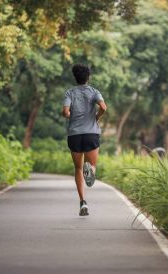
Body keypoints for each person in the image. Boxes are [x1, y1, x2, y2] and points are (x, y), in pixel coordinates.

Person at [61, 64, 107, 216]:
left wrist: (69, 115)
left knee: (78, 169)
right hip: (91, 134)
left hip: (74, 135)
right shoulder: (94, 91)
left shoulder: (70, 93)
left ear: (75, 77)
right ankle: (91, 170)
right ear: (88, 77)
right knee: (92, 165)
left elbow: (65, 112)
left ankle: (82, 203)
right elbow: (104, 107)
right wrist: (96, 117)